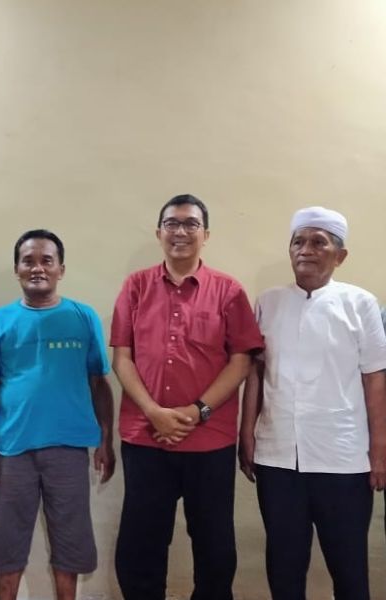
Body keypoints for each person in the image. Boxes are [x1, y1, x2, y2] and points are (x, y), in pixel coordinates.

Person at [111, 194, 263, 600]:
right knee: (140, 546)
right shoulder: (136, 286)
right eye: (172, 224)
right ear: (159, 232)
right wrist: (153, 412)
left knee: (215, 548)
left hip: (209, 440)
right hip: (146, 437)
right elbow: (122, 357)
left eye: (191, 224)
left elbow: (241, 361)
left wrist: (197, 411)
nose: (181, 232)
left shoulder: (228, 291)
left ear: (205, 234)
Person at [239, 206, 386, 600]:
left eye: (318, 242)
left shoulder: (360, 304)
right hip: (277, 457)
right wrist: (246, 434)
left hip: (344, 459)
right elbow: (255, 372)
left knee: (349, 569)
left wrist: (379, 449)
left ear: (340, 255)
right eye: (298, 242)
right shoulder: (268, 302)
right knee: (284, 567)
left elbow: (375, 378)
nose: (305, 250)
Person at [0, 229, 115, 600]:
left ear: (60, 269)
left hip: (69, 449)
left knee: (71, 543)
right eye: (28, 261)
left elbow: (99, 383)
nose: (37, 268)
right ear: (17, 269)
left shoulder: (83, 317)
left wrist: (106, 440)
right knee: (6, 546)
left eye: (46, 261)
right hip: (11, 450)